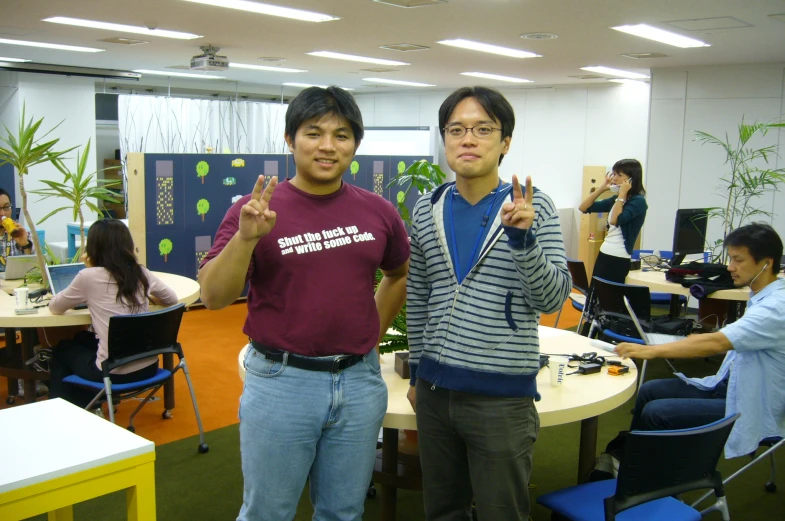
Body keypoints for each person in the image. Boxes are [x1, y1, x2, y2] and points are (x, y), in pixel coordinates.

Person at [198, 86, 410, 521]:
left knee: (343, 512)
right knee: (267, 513)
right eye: (314, 133)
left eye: (343, 134)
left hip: (358, 382)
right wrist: (246, 238)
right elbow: (213, 297)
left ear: (356, 143)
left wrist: (368, 330)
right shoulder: (253, 210)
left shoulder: (378, 212)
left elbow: (398, 273)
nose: (328, 146)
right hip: (282, 382)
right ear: (290, 138)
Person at [406, 86, 571, 521]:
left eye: (483, 129)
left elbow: (553, 297)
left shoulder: (534, 208)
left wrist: (523, 241)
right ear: (444, 138)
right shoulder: (428, 207)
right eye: (456, 129)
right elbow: (419, 296)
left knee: (503, 511)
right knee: (442, 509)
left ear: (505, 142)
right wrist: (419, 372)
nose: (468, 139)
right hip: (436, 392)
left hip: (500, 397)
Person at [615, 222, 785, 460]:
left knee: (658, 412)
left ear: (766, 263)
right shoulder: (761, 295)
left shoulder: (776, 307)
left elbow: (717, 343)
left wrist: (652, 350)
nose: (730, 267)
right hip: (731, 385)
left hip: (752, 403)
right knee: (649, 390)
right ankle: (627, 459)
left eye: (738, 260)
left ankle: (645, 477)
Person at [48, 219, 178, 409]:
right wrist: (148, 297)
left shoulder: (88, 276)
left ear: (93, 248)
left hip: (112, 372)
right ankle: (91, 405)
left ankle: (72, 412)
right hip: (149, 367)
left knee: (62, 349)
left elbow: (55, 307)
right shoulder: (140, 273)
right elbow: (172, 300)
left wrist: (89, 272)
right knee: (82, 338)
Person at [578, 159, 647, 284]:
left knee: (611, 297)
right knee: (597, 294)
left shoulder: (638, 201)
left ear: (631, 179)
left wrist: (621, 196)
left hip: (619, 256)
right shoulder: (615, 199)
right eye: (614, 174)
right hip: (605, 252)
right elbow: (583, 207)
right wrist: (601, 189)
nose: (614, 178)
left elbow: (615, 220)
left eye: (619, 175)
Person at [0, 187, 35, 263]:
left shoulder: (23, 234)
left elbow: (35, 268)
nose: (2, 213)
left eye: (6, 207)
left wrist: (25, 244)